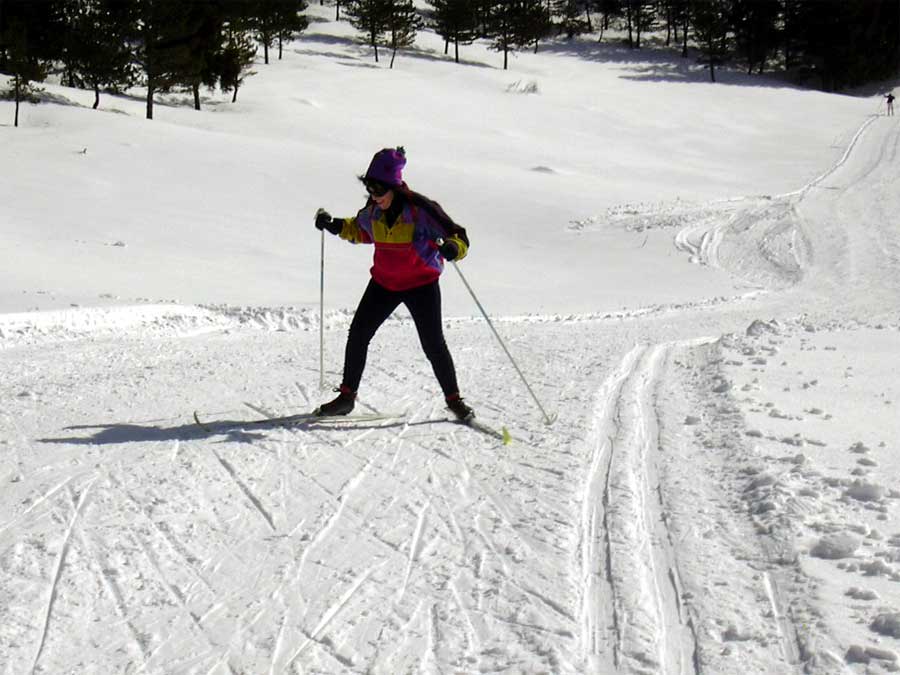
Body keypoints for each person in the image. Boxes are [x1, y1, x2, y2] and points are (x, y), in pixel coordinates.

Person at [314, 147, 474, 420]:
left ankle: (455, 400)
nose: (374, 196)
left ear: (394, 187)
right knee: (358, 334)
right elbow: (360, 230)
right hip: (384, 282)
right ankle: (346, 398)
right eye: (370, 190)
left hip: (421, 283)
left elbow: (458, 235)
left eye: (379, 190)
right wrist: (334, 225)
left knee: (433, 343)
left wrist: (452, 247)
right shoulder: (374, 210)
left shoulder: (421, 210)